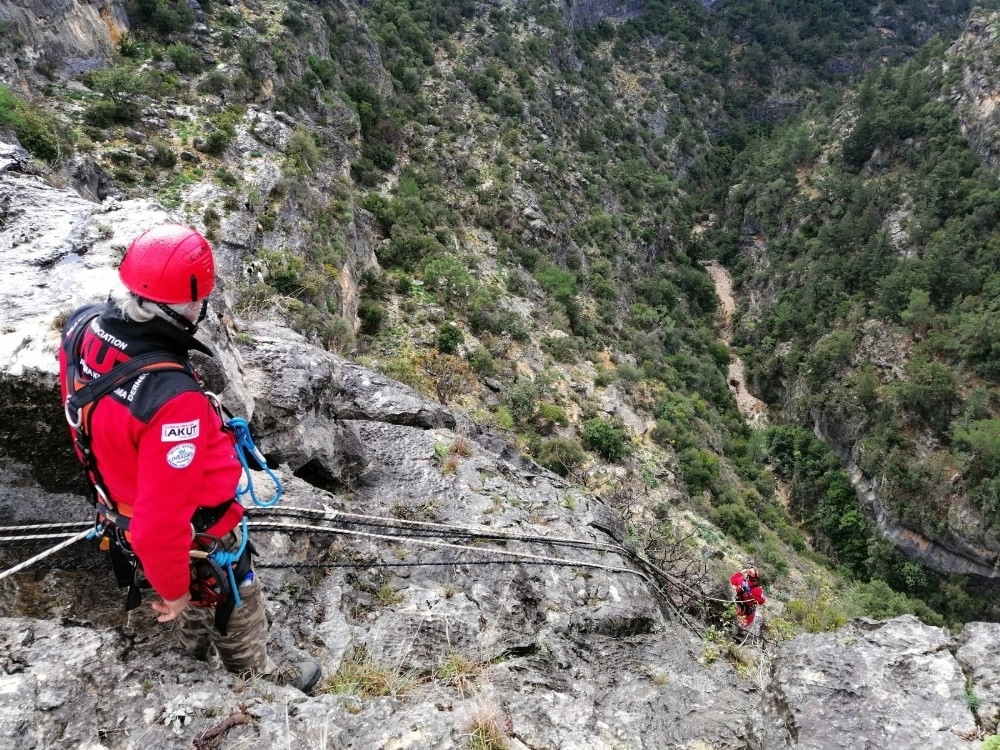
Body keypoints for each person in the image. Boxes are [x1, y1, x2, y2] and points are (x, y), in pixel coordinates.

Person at [57, 223, 321, 693]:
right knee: (230, 595)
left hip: (120, 508)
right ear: (191, 304)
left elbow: (85, 415)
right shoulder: (173, 399)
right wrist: (174, 590)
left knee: (190, 594)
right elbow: (162, 525)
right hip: (198, 527)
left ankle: (193, 654)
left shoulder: (81, 327)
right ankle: (254, 681)